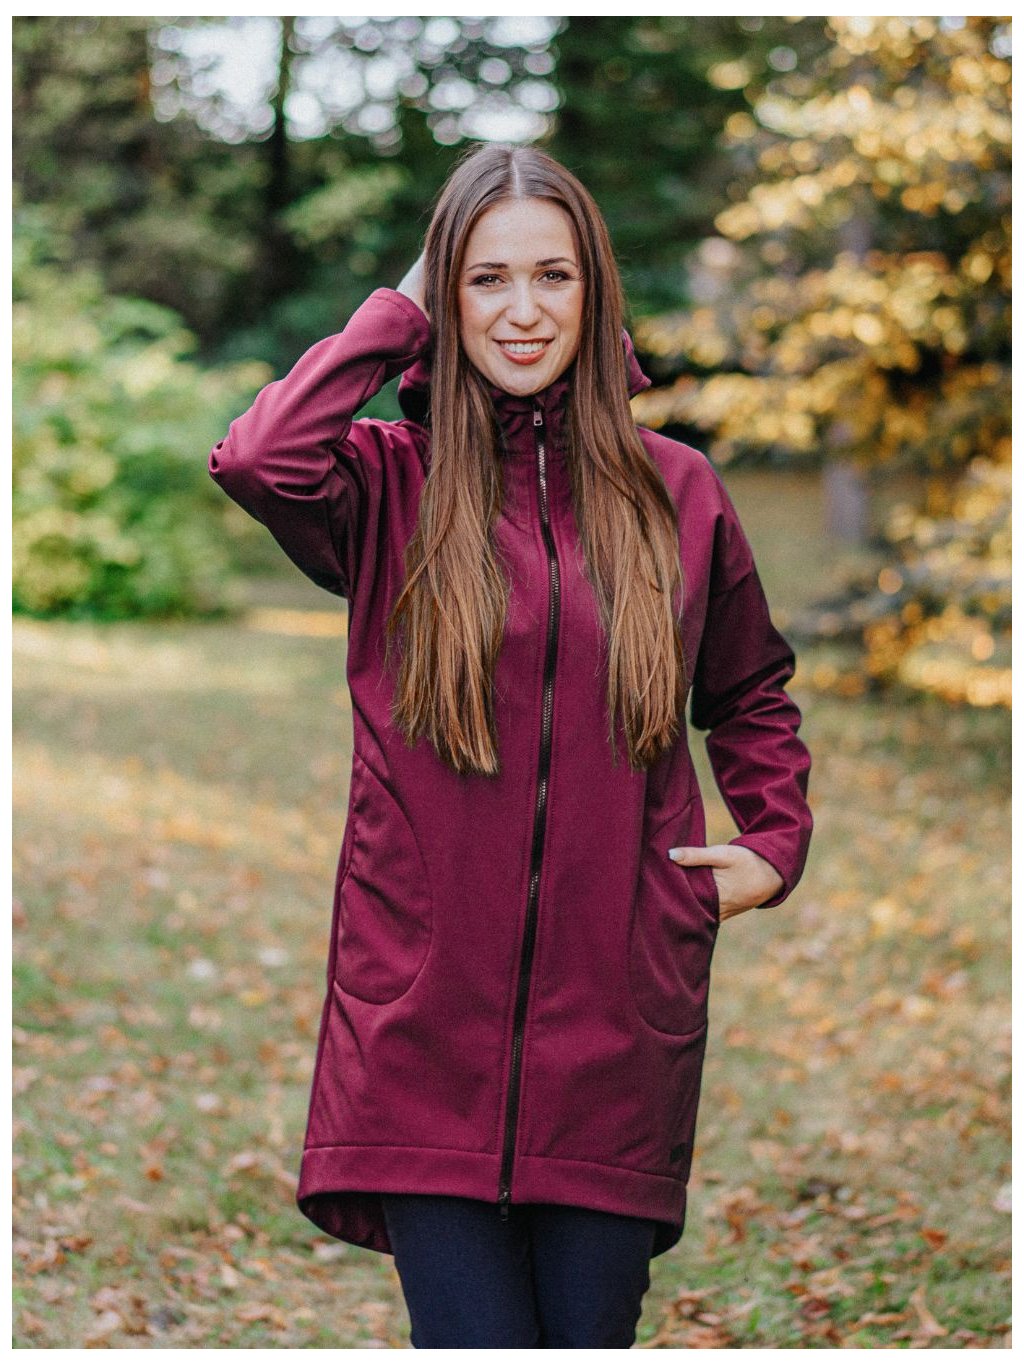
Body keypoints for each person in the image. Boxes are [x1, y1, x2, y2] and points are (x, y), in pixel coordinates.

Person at [207, 141, 813, 1348]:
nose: (523, 311)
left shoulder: (677, 492)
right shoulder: (386, 484)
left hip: (617, 1028)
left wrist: (773, 842)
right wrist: (398, 313)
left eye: (552, 276)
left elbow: (750, 690)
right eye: (485, 279)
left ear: (595, 295)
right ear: (444, 296)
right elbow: (258, 458)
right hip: (420, 1018)